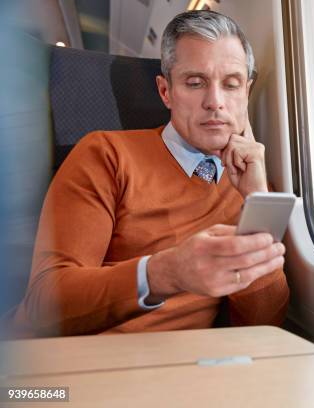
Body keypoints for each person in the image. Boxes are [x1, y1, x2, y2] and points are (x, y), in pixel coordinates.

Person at [11, 10, 289, 337]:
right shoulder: (105, 154)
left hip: (185, 371)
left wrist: (257, 201)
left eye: (231, 85)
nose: (215, 102)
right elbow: (44, 306)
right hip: (85, 365)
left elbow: (263, 329)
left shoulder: (250, 186)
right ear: (165, 91)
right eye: (195, 83)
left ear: (246, 93)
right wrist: (164, 273)